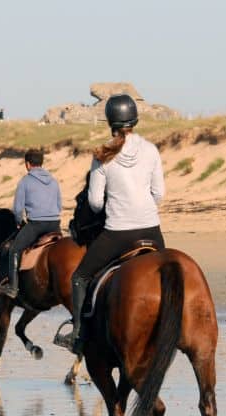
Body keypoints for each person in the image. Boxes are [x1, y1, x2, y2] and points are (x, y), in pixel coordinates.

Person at [63, 94, 166, 355]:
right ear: (135, 119)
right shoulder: (151, 150)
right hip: (152, 230)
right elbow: (159, 195)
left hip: (118, 232)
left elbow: (96, 202)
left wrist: (116, 205)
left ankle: (77, 335)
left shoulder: (102, 154)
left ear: (110, 121)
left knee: (79, 277)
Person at [0, 149, 62, 299]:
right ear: (41, 162)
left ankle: (13, 287)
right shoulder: (53, 180)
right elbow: (59, 205)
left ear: (27, 164)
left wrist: (19, 223)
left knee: (14, 250)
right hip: (55, 224)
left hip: (36, 225)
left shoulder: (25, 181)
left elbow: (18, 210)